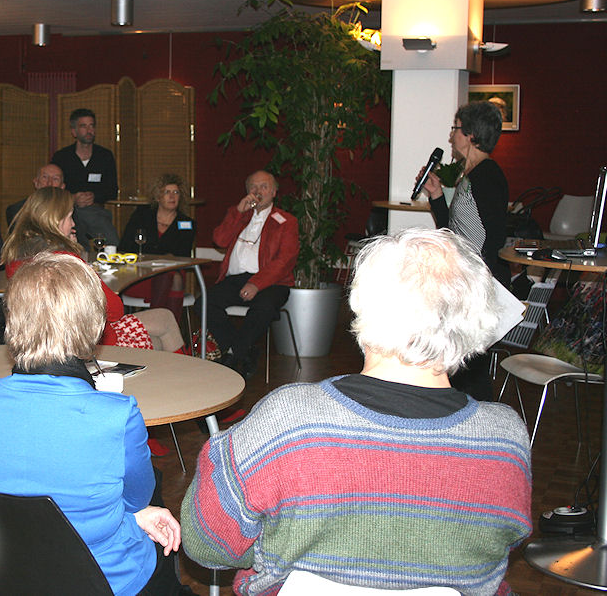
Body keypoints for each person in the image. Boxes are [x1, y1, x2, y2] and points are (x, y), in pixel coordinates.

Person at [181, 228, 532, 596]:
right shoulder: (504, 439)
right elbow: (502, 543)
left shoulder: (288, 421)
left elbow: (207, 544)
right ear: (475, 321)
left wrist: (272, 548)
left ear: (361, 304)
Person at [0, 251, 187, 596]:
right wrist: (134, 516)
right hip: (106, 579)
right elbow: (137, 499)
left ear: (12, 319)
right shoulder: (116, 415)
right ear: (92, 326)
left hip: (13, 575)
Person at [2, 187, 184, 352]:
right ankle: (190, 371)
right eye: (69, 217)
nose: (73, 224)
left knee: (161, 330)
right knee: (164, 323)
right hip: (88, 342)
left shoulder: (15, 256)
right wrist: (75, 254)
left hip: (43, 343)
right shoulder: (64, 260)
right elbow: (114, 310)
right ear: (55, 220)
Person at [419, 100, 509, 400]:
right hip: (467, 282)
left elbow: (494, 237)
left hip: (478, 286)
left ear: (471, 135)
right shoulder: (470, 176)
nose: (451, 135)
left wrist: (476, 282)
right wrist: (436, 195)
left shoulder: (487, 175)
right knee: (464, 371)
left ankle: (479, 424)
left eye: (455, 128)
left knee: (470, 373)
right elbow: (454, 232)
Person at [201, 170, 299, 378]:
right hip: (235, 280)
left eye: (264, 186)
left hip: (272, 282)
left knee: (263, 308)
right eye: (253, 187)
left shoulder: (286, 221)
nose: (258, 191)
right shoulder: (238, 214)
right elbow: (219, 240)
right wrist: (237, 212)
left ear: (273, 192)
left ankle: (232, 354)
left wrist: (257, 283)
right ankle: (243, 350)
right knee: (204, 303)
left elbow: (285, 260)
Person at [120, 174, 196, 318]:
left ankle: (156, 325)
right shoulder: (142, 216)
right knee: (173, 278)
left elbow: (183, 255)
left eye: (176, 192)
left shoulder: (186, 223)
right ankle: (165, 328)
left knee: (171, 276)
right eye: (167, 192)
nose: (172, 196)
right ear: (158, 197)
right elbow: (126, 246)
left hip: (171, 273)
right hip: (141, 275)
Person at [51, 108, 120, 250]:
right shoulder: (62, 157)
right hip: (67, 210)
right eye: (83, 126)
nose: (89, 130)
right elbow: (52, 190)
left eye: (92, 126)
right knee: (74, 238)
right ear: (74, 131)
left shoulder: (104, 156)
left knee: (111, 239)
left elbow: (112, 190)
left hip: (95, 211)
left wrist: (94, 196)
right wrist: (72, 198)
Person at [5, 162, 65, 230]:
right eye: (45, 177)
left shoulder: (69, 211)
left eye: (55, 179)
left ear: (62, 187)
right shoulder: (18, 210)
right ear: (36, 183)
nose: (49, 183)